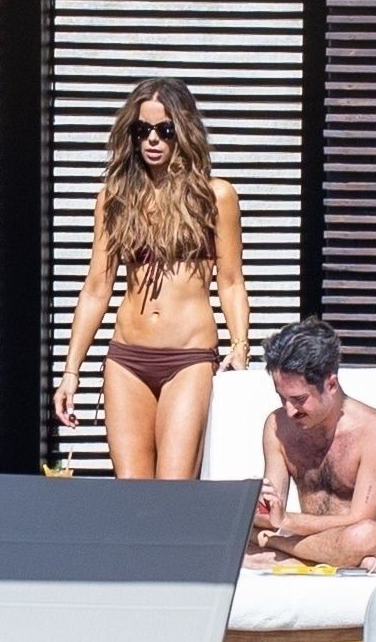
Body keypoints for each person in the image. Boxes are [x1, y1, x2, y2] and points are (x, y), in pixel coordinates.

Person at [53, 77, 249, 479]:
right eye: (142, 130)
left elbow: (230, 281)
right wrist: (71, 371)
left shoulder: (216, 196)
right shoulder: (115, 198)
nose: (153, 140)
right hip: (127, 357)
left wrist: (240, 345)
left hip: (189, 357)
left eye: (165, 130)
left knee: (174, 488)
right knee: (132, 490)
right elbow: (96, 288)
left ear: (185, 131)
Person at [247, 316, 376, 572]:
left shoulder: (375, 432)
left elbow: (360, 519)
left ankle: (284, 552)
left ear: (331, 384)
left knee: (366, 535)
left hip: (371, 540)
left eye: (299, 399)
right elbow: (271, 513)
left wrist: (280, 528)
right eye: (282, 398)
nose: (289, 410)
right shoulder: (277, 425)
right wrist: (258, 506)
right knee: (233, 531)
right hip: (309, 539)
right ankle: (325, 563)